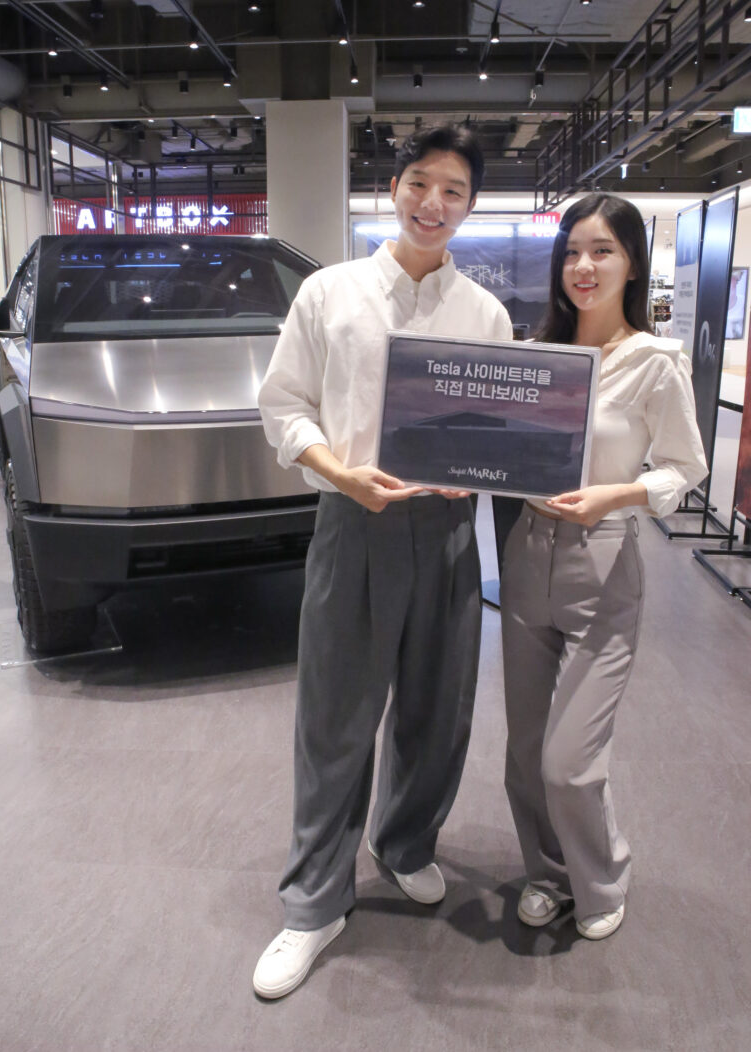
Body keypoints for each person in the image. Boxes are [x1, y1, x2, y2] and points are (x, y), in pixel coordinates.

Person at [253, 124, 512, 998]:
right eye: (420, 183)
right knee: (336, 716)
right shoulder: (331, 293)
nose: (434, 204)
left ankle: (404, 843)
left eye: (454, 191)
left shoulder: (485, 314)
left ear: (470, 206)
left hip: (448, 532)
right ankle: (314, 902)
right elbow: (284, 404)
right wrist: (339, 474)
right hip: (354, 521)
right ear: (392, 188)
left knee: (439, 711)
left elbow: (500, 430)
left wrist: (485, 470)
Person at [500, 193, 707, 941]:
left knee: (569, 760)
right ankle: (547, 875)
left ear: (631, 264)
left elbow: (685, 466)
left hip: (606, 559)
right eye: (571, 252)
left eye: (602, 251)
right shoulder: (537, 355)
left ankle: (603, 872)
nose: (582, 266)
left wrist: (617, 494)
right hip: (526, 554)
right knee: (525, 751)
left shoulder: (656, 361)